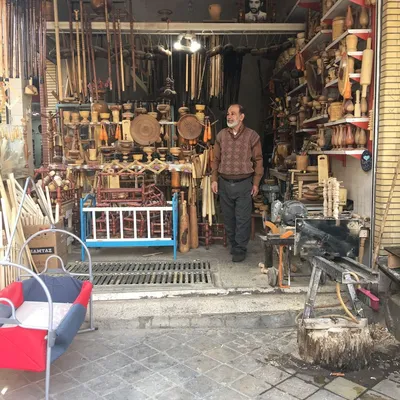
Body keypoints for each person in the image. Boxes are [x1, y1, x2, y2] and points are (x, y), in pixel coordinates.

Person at [211, 104, 264, 262]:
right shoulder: (221, 135)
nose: (229, 117)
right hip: (224, 182)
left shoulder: (252, 136)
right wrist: (214, 179)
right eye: (228, 114)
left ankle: (240, 249)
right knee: (228, 218)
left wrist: (256, 182)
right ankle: (234, 245)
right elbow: (215, 159)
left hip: (244, 183)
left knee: (242, 218)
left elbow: (258, 160)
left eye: (233, 114)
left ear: (241, 117)